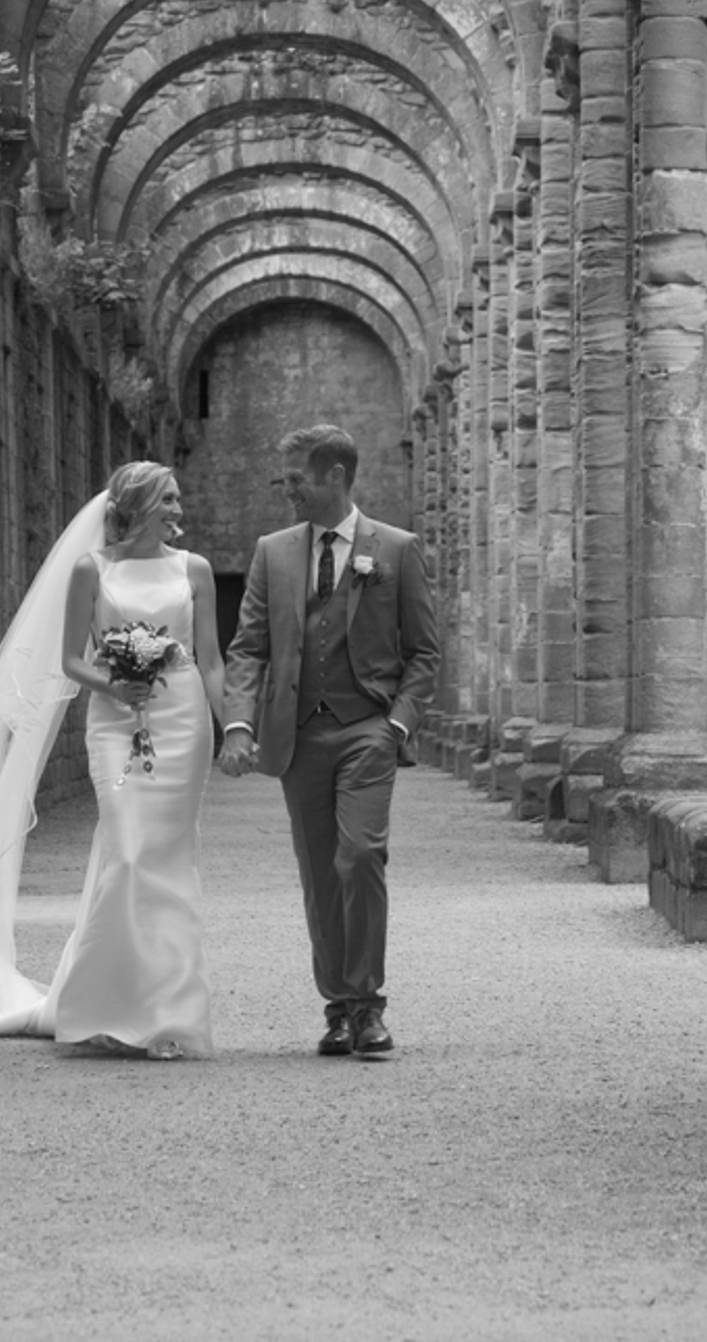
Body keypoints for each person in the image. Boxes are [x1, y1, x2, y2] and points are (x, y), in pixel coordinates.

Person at [0, 461, 223, 1058]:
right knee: (129, 850)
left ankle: (166, 1013)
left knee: (168, 859)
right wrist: (116, 685)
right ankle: (106, 1002)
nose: (177, 510)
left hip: (183, 721)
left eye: (177, 500)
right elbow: (70, 660)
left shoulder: (196, 569)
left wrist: (236, 725)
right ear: (137, 505)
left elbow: (210, 658)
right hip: (116, 723)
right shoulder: (94, 569)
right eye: (167, 499)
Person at [219, 424, 438, 1060]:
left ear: (335, 477)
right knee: (320, 874)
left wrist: (399, 722)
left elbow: (424, 652)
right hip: (299, 735)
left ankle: (368, 1005)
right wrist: (239, 723)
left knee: (361, 855)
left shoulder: (395, 550)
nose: (287, 491)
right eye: (284, 480)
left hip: (369, 729)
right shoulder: (273, 551)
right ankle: (338, 1008)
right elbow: (248, 646)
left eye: (297, 480)